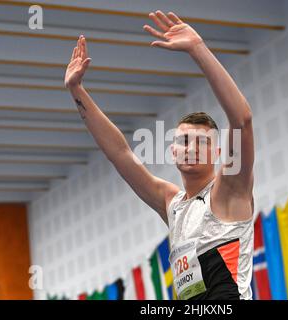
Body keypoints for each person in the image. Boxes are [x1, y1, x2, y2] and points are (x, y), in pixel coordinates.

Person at [64, 10, 254, 300]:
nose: (190, 148)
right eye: (183, 141)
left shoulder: (229, 191)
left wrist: (197, 49)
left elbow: (241, 119)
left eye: (201, 143)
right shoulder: (172, 203)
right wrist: (76, 90)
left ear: (218, 152)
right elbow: (120, 153)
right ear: (172, 150)